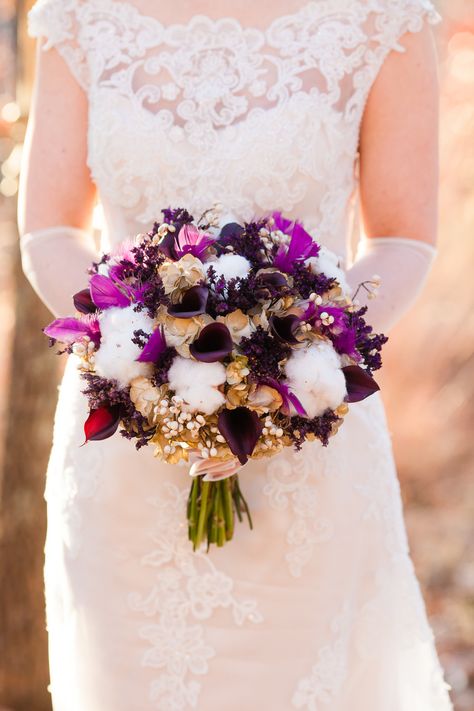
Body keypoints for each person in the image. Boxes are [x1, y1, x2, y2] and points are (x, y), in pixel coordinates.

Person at [18, 1, 454, 709]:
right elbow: (48, 228)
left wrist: (298, 362)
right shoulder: (82, 15)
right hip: (125, 459)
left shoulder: (382, 17)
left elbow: (404, 239)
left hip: (309, 453)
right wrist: (136, 350)